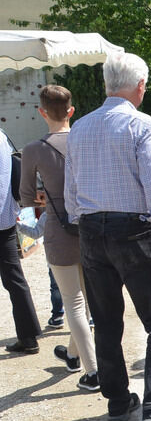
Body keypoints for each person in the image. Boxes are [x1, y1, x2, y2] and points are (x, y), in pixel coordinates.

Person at [64, 52, 151, 421]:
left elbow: (71, 191)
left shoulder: (81, 127)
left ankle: (118, 402)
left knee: (105, 321)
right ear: (139, 86)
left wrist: (84, 223)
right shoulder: (142, 124)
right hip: (133, 231)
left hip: (91, 230)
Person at [18, 85, 99, 390]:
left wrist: (45, 196)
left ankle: (93, 372)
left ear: (41, 112)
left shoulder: (33, 149)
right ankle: (74, 354)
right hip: (92, 227)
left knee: (75, 304)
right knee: (88, 301)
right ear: (71, 111)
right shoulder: (88, 141)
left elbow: (26, 197)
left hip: (59, 230)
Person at [2, 128, 42, 355]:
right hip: (5, 219)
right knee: (15, 280)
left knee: (15, 281)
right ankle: (28, 337)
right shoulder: (2, 136)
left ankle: (28, 337)